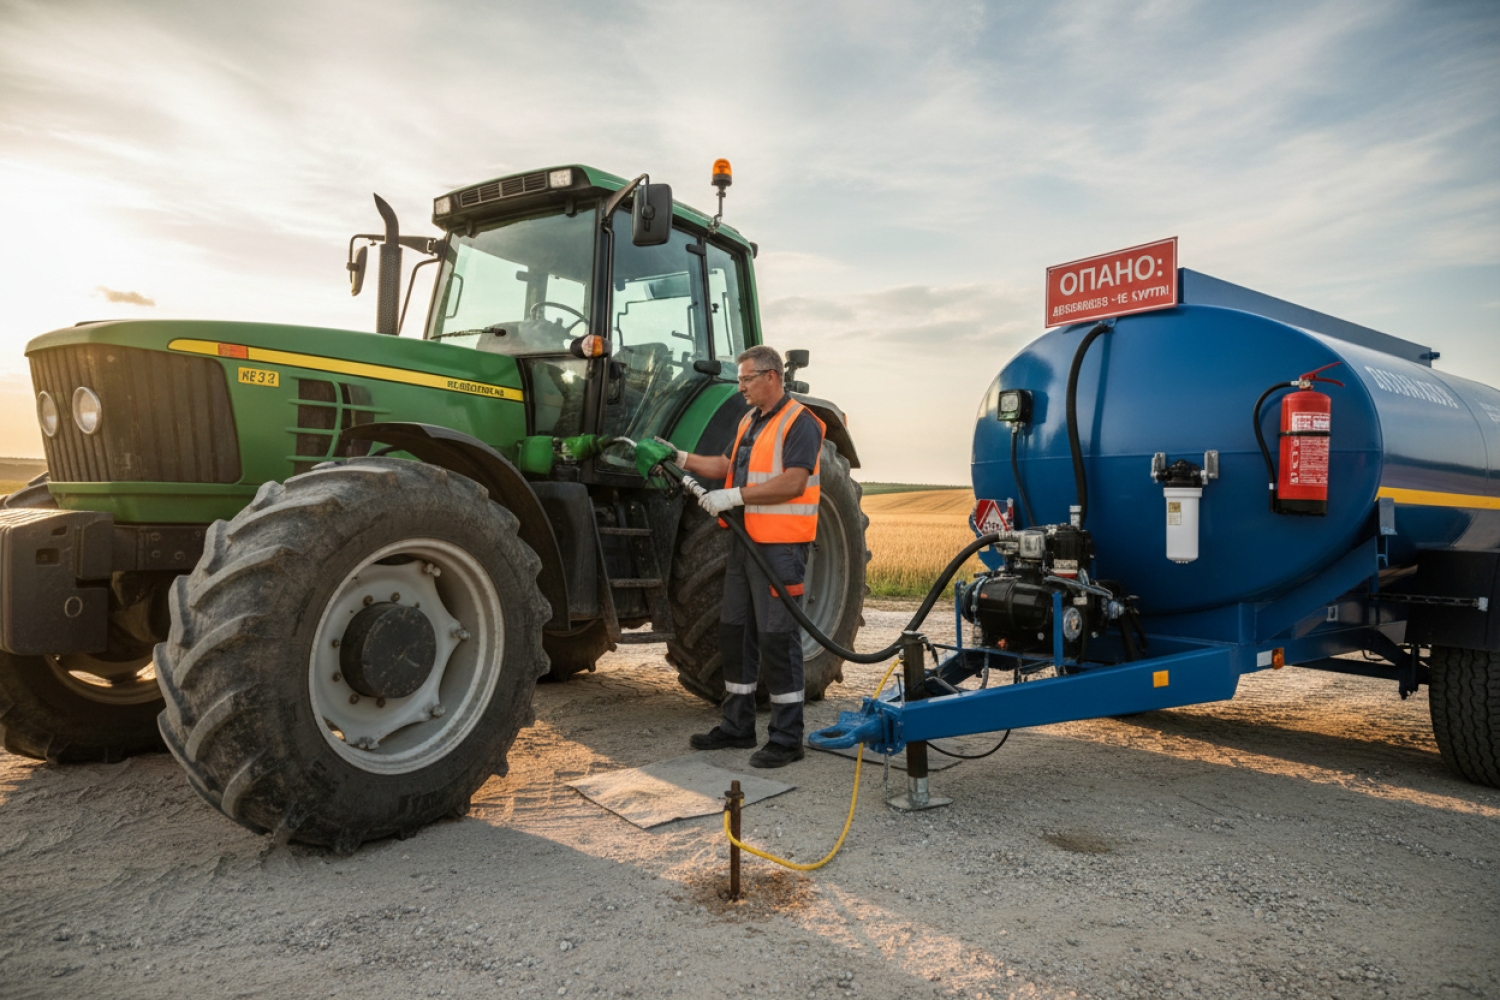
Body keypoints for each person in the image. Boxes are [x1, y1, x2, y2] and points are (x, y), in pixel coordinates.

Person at [637, 345, 825, 768]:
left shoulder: (801, 423)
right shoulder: (749, 421)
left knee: (777, 638)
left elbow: (794, 483)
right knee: (734, 631)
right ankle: (738, 726)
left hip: (779, 548)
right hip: (744, 543)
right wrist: (681, 457)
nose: (739, 386)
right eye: (739, 379)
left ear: (772, 376)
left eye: (746, 379)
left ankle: (787, 737)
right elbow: (725, 463)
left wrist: (735, 495)